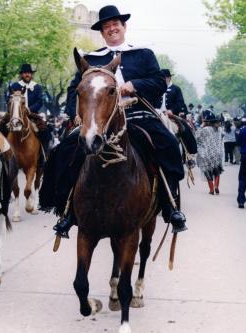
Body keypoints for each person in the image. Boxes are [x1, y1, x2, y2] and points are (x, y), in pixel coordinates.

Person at [41, 5, 188, 237]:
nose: (111, 29)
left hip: (137, 116)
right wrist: (77, 114)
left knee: (168, 144)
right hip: (98, 120)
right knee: (66, 150)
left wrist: (134, 85)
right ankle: (67, 210)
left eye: (115, 25)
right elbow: (74, 90)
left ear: (124, 27)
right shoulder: (91, 59)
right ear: (102, 32)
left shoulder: (143, 54)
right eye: (106, 27)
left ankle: (170, 205)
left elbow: (159, 82)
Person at [0, 64, 52, 156]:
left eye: (29, 73)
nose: (27, 75)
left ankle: (43, 157)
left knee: (45, 132)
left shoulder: (37, 87)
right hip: (14, 114)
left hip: (32, 115)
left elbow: (40, 102)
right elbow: (9, 100)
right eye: (25, 73)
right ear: (21, 75)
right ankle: (1, 155)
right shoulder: (15, 86)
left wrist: (28, 109)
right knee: (1, 128)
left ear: (31, 75)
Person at [196, 110, 223, 194]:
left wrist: (201, 126)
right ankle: (216, 186)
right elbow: (222, 138)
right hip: (217, 153)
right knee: (217, 171)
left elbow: (196, 137)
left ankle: (211, 190)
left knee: (208, 172)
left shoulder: (204, 130)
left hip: (206, 154)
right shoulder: (219, 129)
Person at [236, 117, 246, 208]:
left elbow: (238, 143)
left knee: (242, 178)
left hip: (244, 155)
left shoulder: (242, 130)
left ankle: (241, 201)